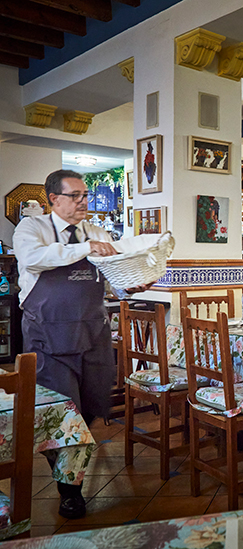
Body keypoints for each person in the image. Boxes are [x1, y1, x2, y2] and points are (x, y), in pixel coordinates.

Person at [13, 169, 150, 519]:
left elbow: (112, 277)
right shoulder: (32, 229)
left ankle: (69, 465)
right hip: (49, 337)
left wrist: (129, 287)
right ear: (53, 199)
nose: (83, 202)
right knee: (63, 412)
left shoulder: (97, 231)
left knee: (90, 407)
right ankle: (69, 490)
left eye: (85, 195)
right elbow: (34, 259)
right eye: (74, 195)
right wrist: (84, 248)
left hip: (92, 335)